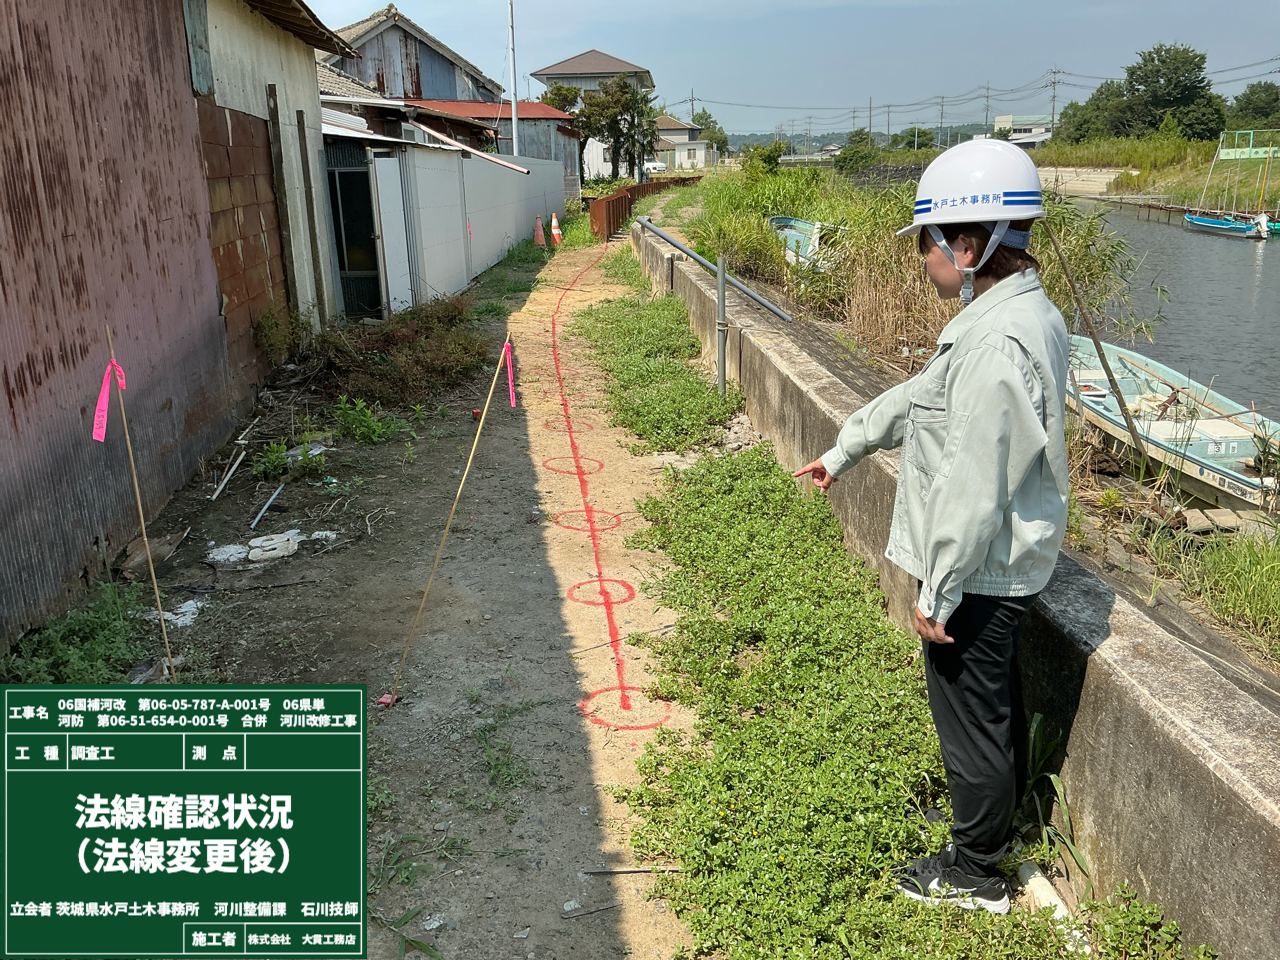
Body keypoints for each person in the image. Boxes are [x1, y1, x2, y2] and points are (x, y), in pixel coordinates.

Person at [793, 139, 1070, 915]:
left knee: (972, 720)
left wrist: (938, 589)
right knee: (988, 709)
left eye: (928, 244)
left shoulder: (998, 340)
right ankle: (986, 839)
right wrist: (846, 449)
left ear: (968, 247)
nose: (923, 260)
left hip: (979, 568)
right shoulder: (1009, 319)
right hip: (992, 561)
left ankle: (976, 873)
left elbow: (976, 481)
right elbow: (923, 397)